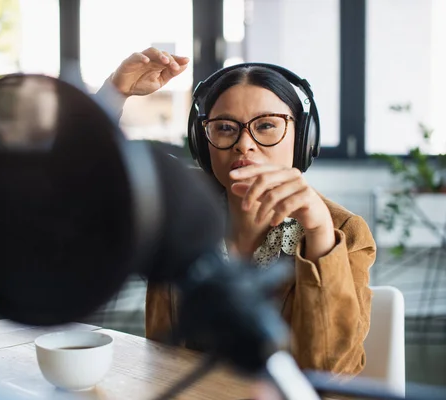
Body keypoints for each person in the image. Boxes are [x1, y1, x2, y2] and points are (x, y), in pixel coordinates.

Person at [102, 47, 377, 375]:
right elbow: (94, 187)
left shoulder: (344, 230)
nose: (244, 144)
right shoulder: (179, 211)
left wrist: (319, 233)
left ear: (303, 138)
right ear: (203, 142)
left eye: (266, 126)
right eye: (226, 128)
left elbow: (330, 372)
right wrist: (112, 97)